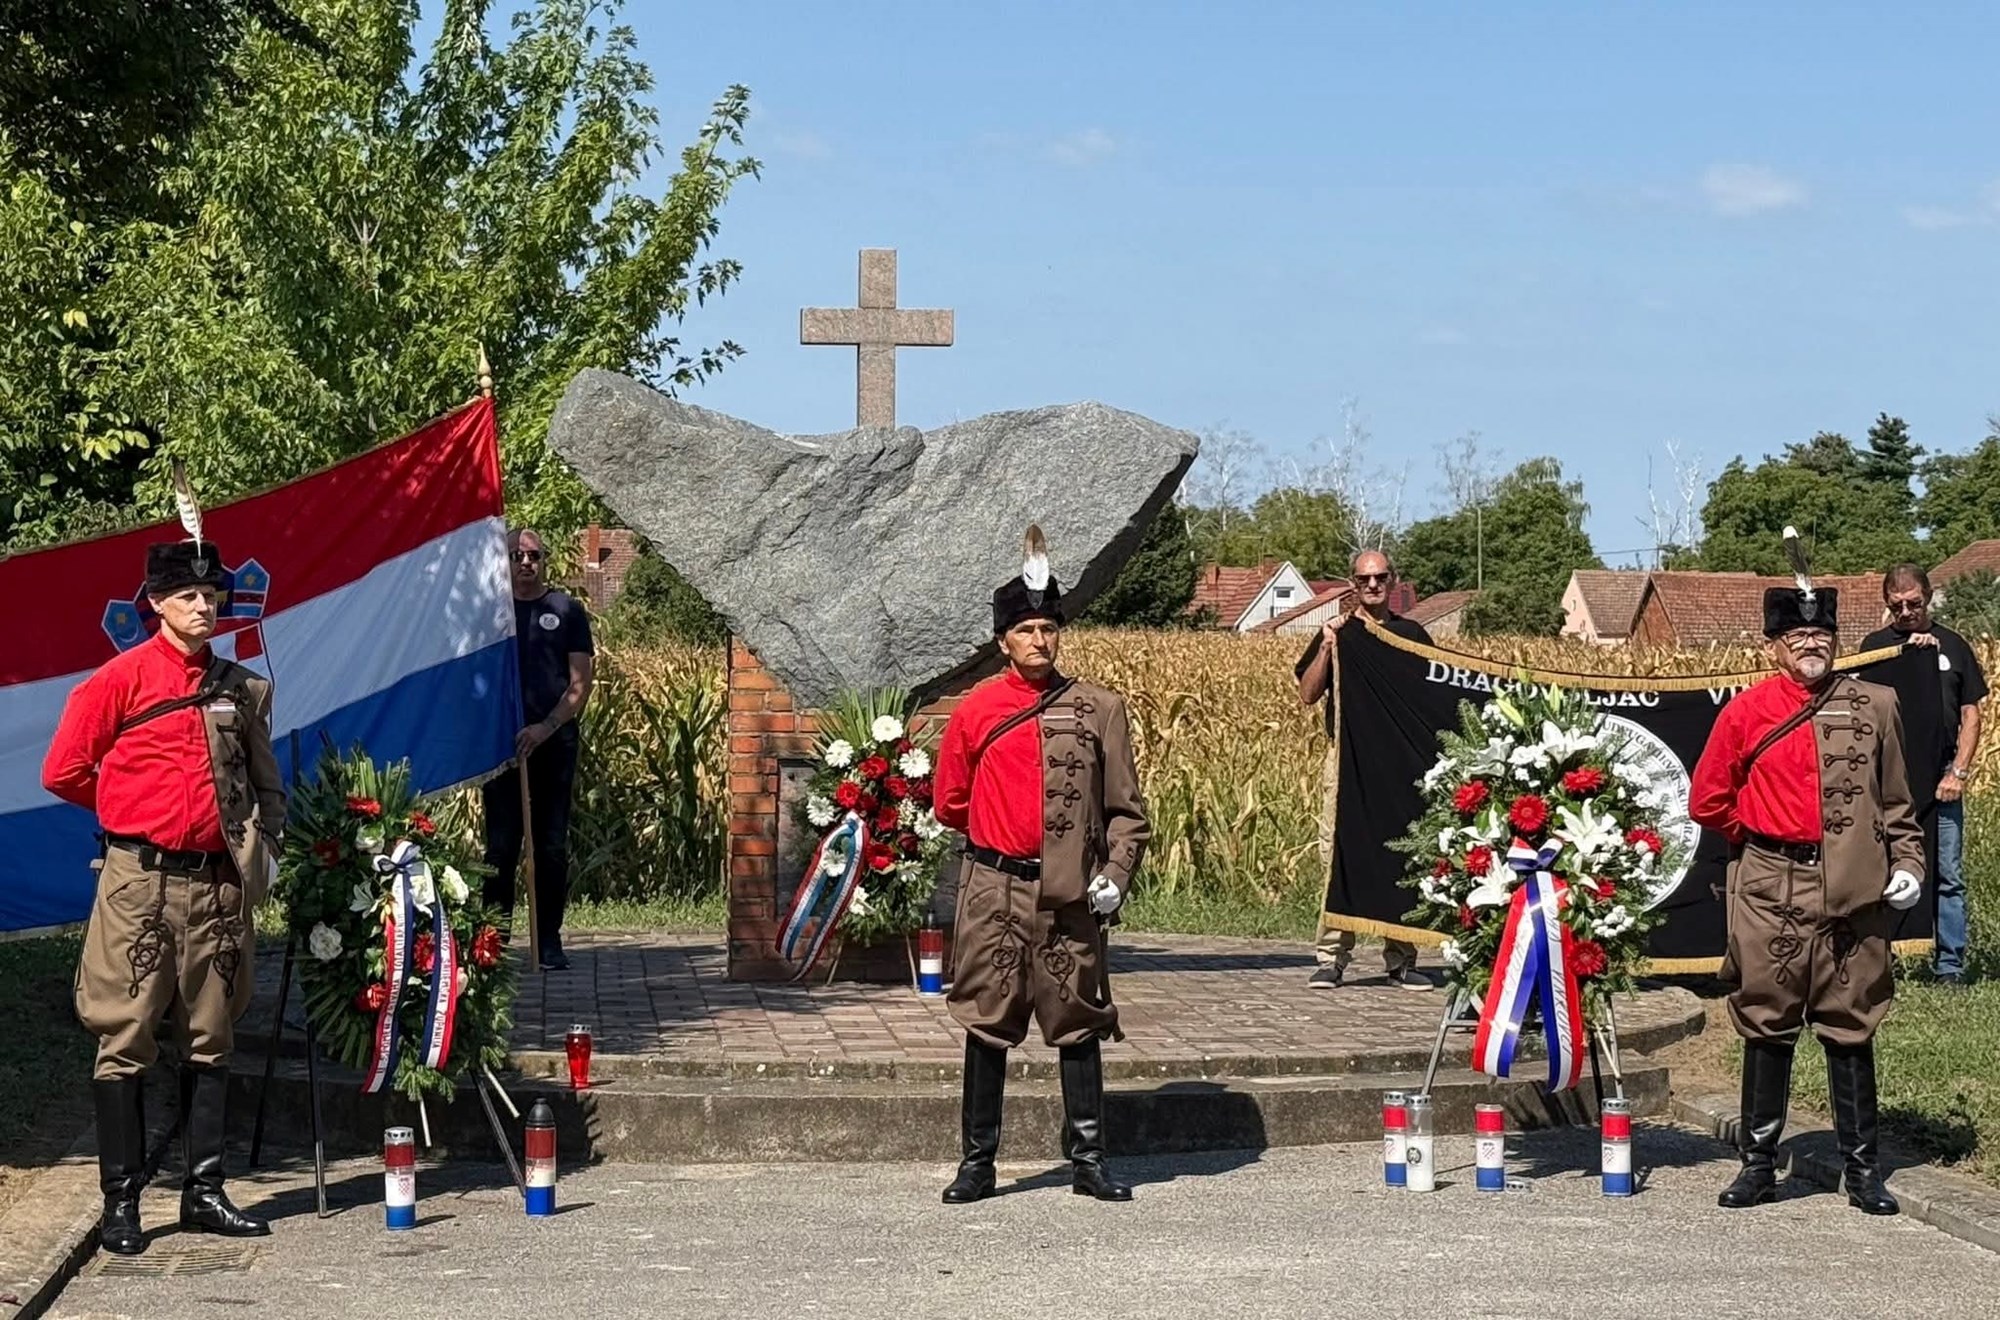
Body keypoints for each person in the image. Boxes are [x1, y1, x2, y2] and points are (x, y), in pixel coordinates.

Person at [43, 535, 286, 1255]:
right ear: (155, 604)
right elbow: (64, 770)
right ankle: (122, 1202)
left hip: (214, 885)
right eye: (188, 597)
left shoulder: (239, 689)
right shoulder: (118, 681)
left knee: (212, 1035)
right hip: (138, 884)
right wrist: (129, 807)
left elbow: (264, 784)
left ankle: (203, 1192)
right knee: (125, 1035)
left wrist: (262, 846)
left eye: (212, 598)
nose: (204, 607)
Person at [1689, 572, 1925, 1216]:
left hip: (1854, 886)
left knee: (1852, 1025)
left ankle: (1863, 1171)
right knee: (1767, 1019)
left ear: (1836, 640)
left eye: (1820, 634)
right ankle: (1759, 1166)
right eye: (1797, 636)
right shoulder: (1746, 711)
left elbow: (1899, 803)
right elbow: (1707, 799)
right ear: (1775, 646)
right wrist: (1762, 837)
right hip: (1770, 885)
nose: (1810, 645)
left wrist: (1907, 862)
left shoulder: (1875, 705)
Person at [932, 525, 1151, 1204]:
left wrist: (1113, 874)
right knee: (987, 1022)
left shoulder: (1099, 709)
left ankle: (1088, 1160)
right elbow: (950, 801)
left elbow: (1128, 813)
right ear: (1004, 641)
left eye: (1048, 628)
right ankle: (978, 1163)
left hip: (1069, 897)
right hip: (993, 889)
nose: (1038, 640)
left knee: (1079, 1021)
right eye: (1025, 630)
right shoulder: (975, 712)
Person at [1295, 548, 1434, 990]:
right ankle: (1332, 956)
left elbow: (1434, 692)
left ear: (1392, 581)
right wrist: (1328, 648)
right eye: (1363, 580)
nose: (1372, 586)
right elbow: (1307, 693)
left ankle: (1401, 958)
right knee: (1340, 852)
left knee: (1403, 851)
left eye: (1380, 578)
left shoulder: (1411, 634)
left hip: (1397, 761)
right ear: (1353, 585)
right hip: (1346, 755)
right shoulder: (1341, 632)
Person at [1862, 563, 1985, 988]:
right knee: (1881, 872)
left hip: (1941, 779)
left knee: (1947, 875)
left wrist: (1960, 772)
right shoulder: (1875, 647)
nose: (1906, 612)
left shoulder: (1953, 645)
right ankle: (1881, 959)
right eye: (1896, 606)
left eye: (1914, 603)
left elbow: (1971, 715)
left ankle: (1950, 965)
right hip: (1887, 783)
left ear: (1929, 597)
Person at [483, 528, 595, 971]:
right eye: (515, 555)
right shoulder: (492, 616)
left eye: (533, 555)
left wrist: (545, 727)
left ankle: (547, 941)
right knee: (501, 847)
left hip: (553, 743)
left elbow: (579, 684)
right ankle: (494, 942)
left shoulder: (566, 610)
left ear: (544, 560)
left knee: (549, 845)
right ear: (504, 562)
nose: (525, 563)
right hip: (504, 749)